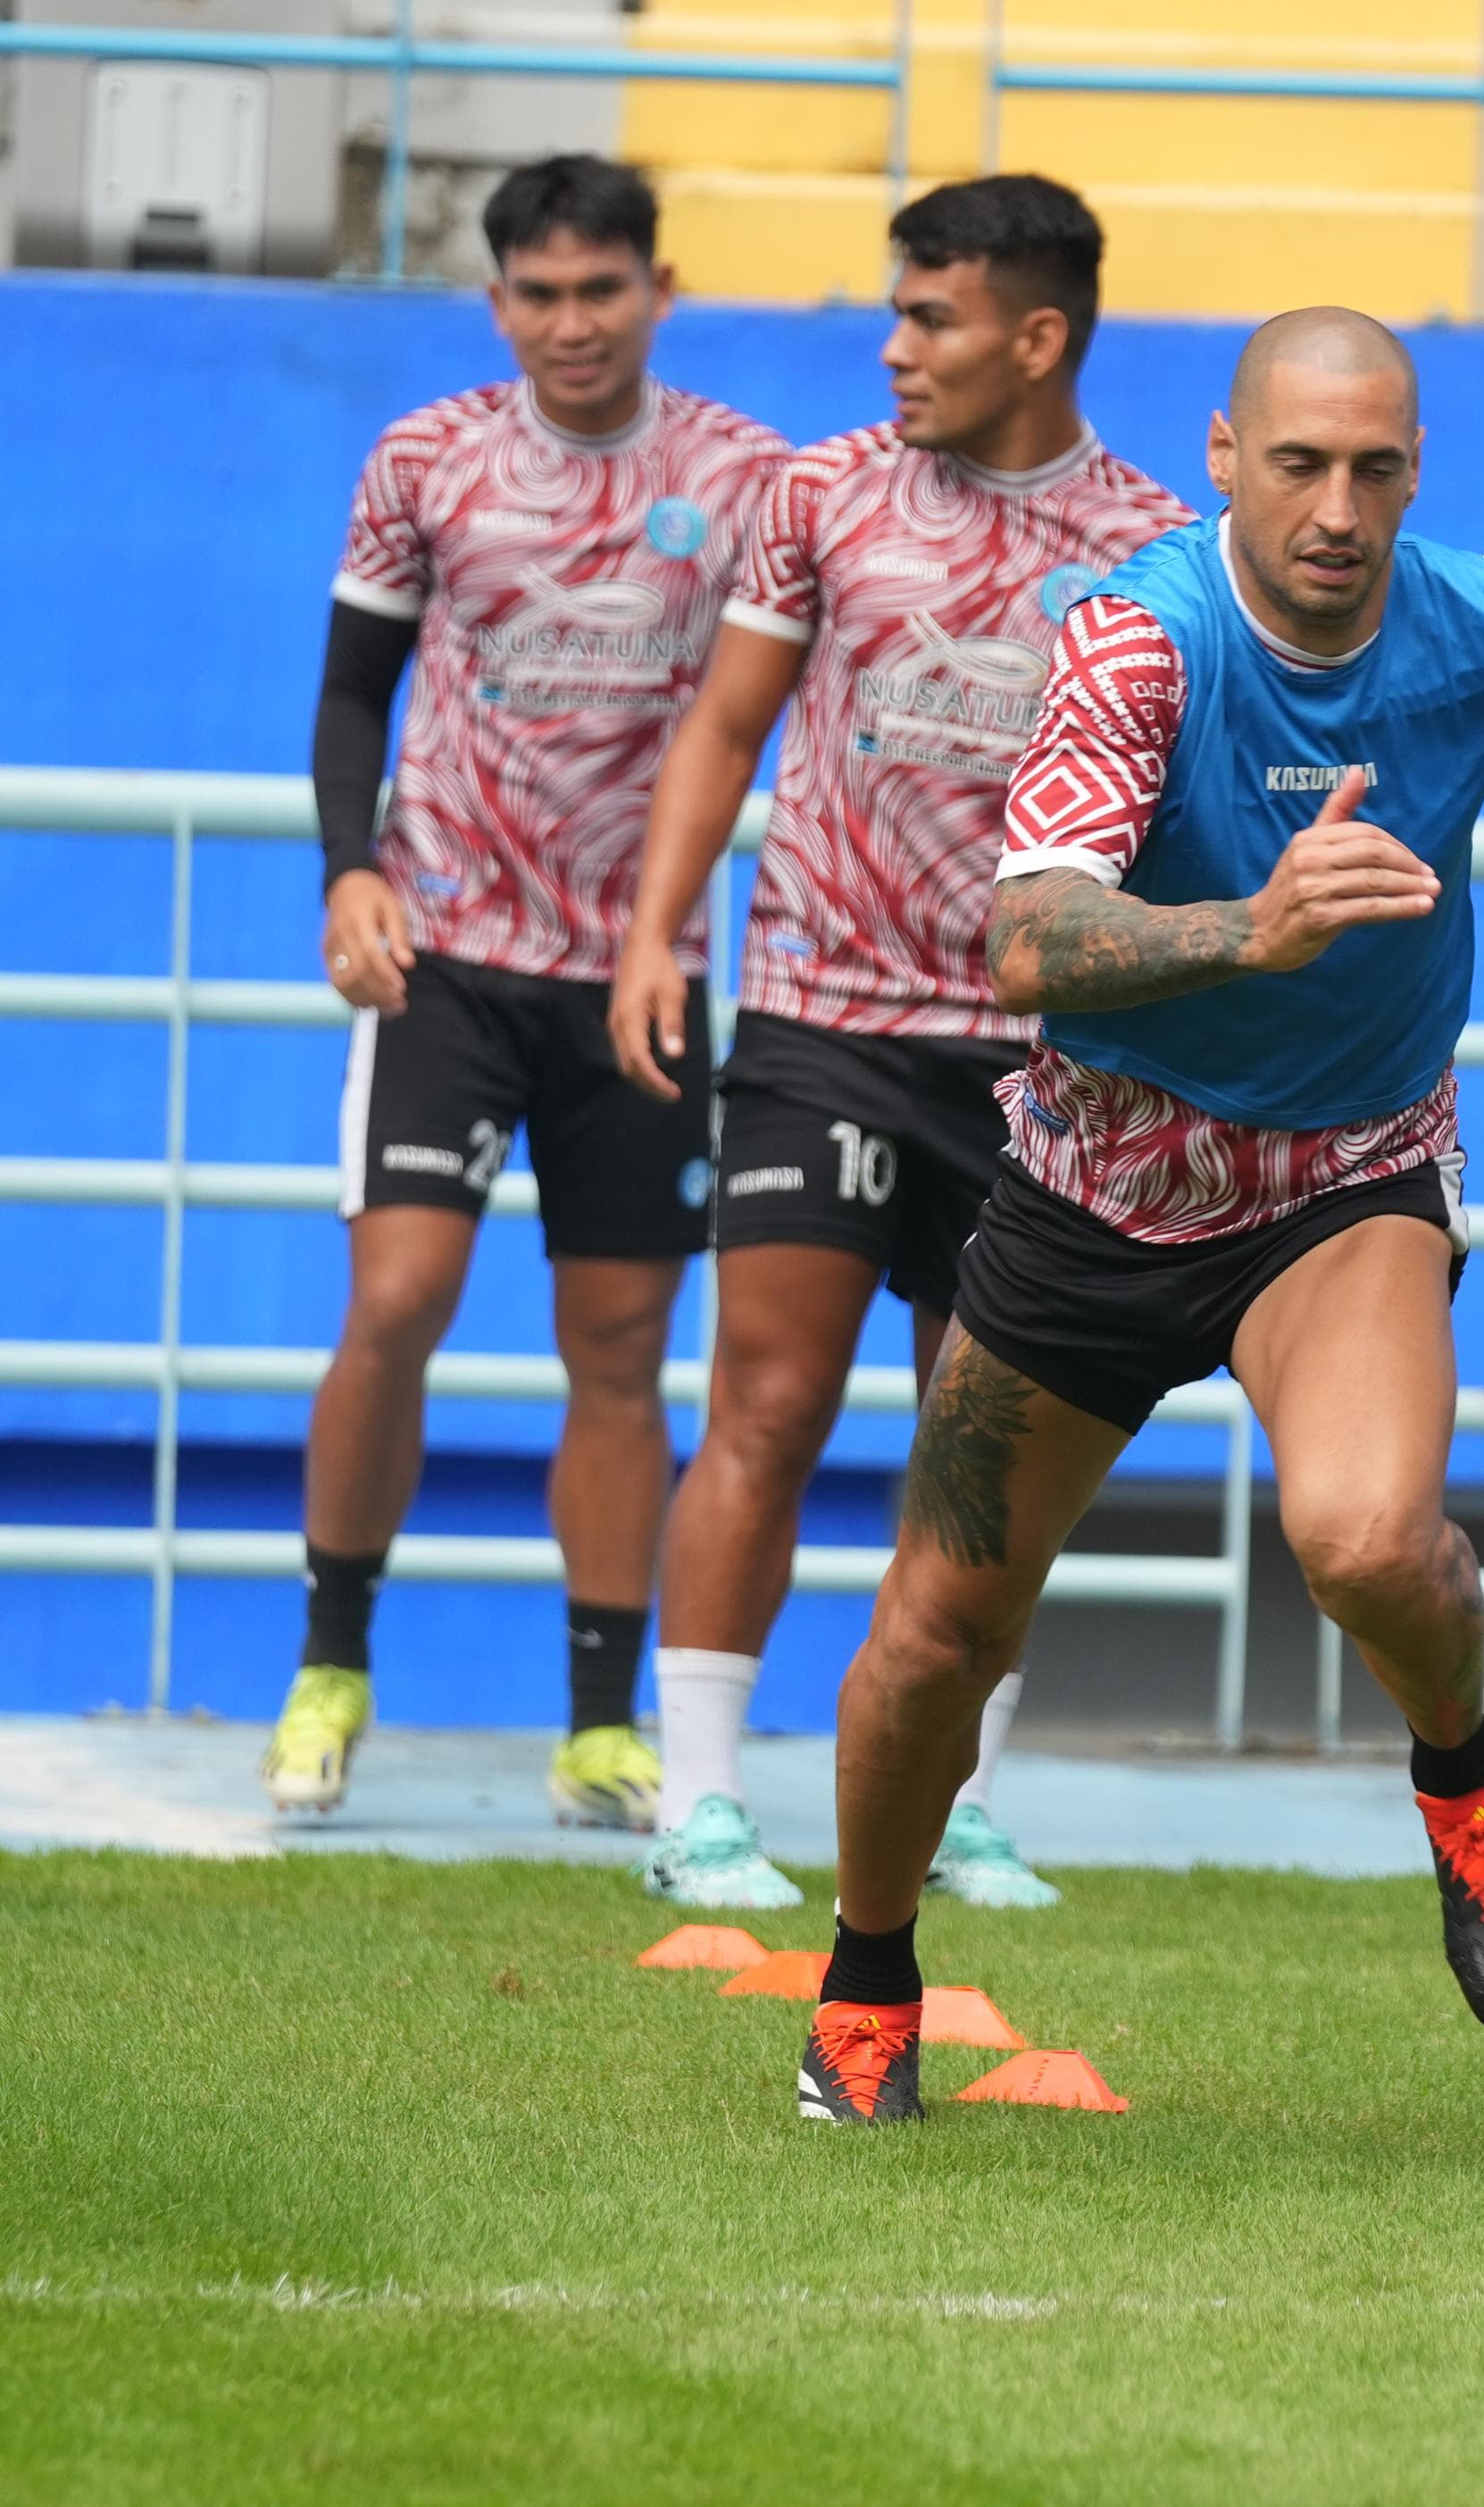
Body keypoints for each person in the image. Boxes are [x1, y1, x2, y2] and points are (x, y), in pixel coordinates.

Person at [788, 308, 1484, 2123]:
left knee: (1364, 1538)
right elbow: (1025, 937)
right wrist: (1247, 929)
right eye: (1298, 466)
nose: (1337, 509)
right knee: (937, 1639)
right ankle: (870, 1974)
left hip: (1344, 1176)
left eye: (1376, 469)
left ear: (1414, 472)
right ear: (1221, 456)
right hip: (1098, 1186)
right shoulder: (1140, 643)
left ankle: (1467, 1779)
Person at [608, 176, 1193, 1913]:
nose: (894, 347)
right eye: (896, 311)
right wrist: (655, 934)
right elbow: (726, 727)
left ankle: (962, 1807)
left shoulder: (1156, 544)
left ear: (1038, 336)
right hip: (819, 1022)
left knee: (982, 1441)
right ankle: (697, 1807)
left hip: (1036, 1062)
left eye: (929, 318)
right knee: (769, 1402)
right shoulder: (819, 496)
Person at [269, 156, 787, 1826]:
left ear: (658, 288)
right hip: (447, 956)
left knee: (621, 1346)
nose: (573, 323)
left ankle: (598, 1725)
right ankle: (330, 1667)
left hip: (643, 977)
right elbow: (354, 693)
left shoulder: (739, 476)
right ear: (500, 305)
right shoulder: (425, 461)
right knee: (401, 1295)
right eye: (540, 295)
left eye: (602, 289)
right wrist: (351, 869)